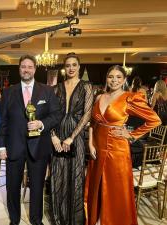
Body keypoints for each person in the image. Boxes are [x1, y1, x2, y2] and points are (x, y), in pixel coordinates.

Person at [85, 65, 161, 225]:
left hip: (117, 149)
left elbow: (154, 120)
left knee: (115, 190)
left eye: (118, 77)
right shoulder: (99, 97)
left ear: (124, 79)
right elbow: (93, 123)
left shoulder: (129, 98)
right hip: (97, 149)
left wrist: (131, 135)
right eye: (111, 76)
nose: (114, 80)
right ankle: (97, 220)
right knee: (96, 187)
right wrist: (90, 144)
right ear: (106, 78)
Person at [0, 55, 61, 225]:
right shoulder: (9, 92)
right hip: (14, 146)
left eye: (30, 66)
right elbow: (2, 120)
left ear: (35, 69)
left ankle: (36, 219)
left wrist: (41, 123)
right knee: (12, 186)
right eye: (23, 66)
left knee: (37, 187)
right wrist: (1, 147)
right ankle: (14, 219)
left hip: (39, 146)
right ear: (19, 69)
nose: (26, 69)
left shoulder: (47, 90)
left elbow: (56, 115)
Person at [50, 53, 93, 225]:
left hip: (75, 137)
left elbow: (87, 114)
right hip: (58, 135)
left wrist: (71, 138)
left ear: (79, 67)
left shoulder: (86, 86)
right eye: (68, 65)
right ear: (64, 67)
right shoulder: (56, 88)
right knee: (58, 175)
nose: (71, 68)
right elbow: (51, 115)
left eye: (74, 64)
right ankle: (59, 218)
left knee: (75, 177)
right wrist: (53, 136)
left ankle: (74, 220)